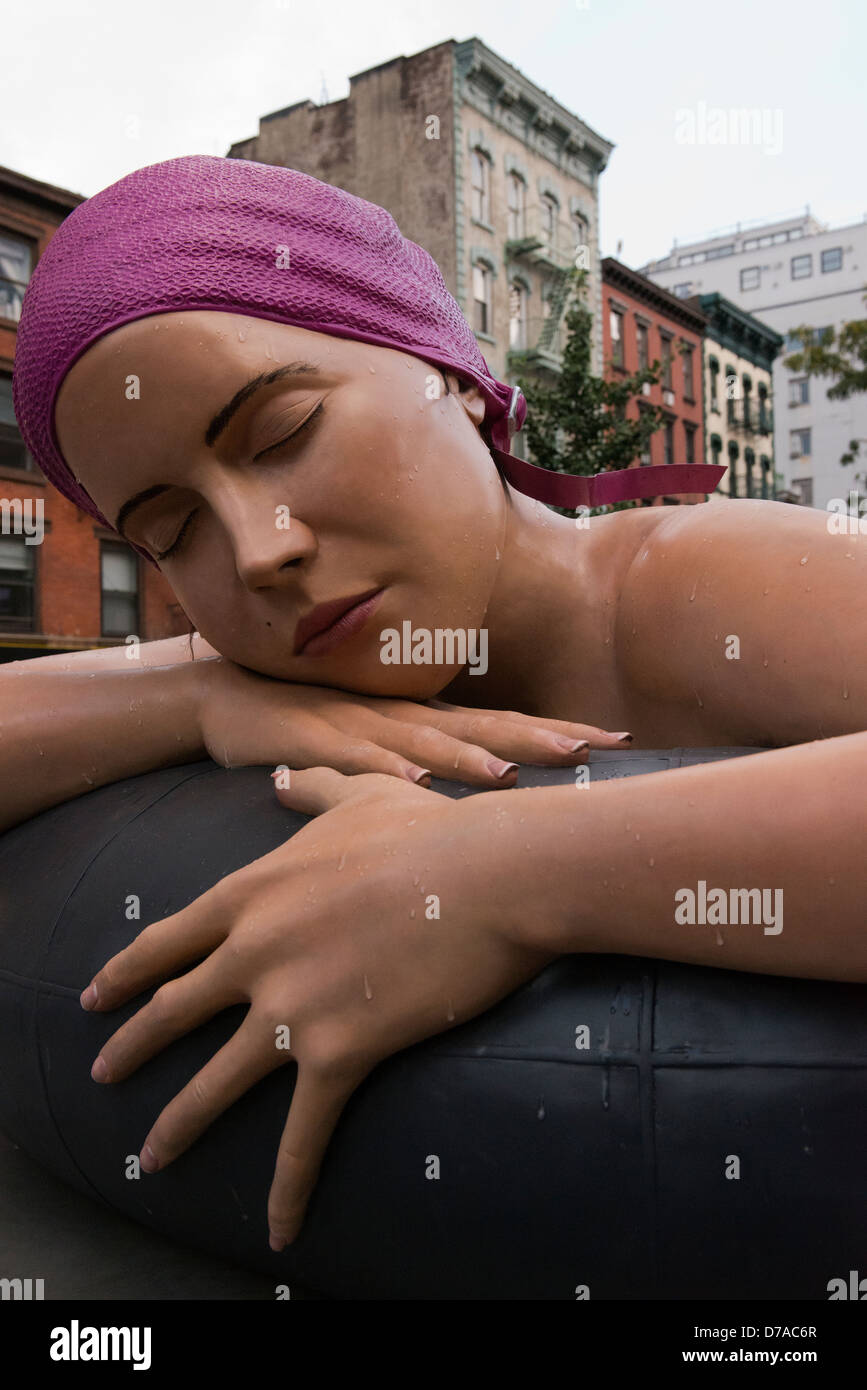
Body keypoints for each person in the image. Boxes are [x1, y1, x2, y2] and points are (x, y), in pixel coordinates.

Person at [6, 156, 866, 1256]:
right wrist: (195, 692)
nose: (262, 552)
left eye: (283, 434)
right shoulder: (277, 666)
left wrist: (498, 873)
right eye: (172, 533)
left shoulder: (693, 584)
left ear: (448, 369)